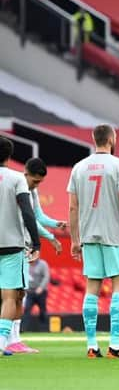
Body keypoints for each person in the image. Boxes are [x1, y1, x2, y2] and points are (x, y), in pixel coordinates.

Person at [67, 124, 119, 359]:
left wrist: (74, 239)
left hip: (89, 235)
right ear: (111, 139)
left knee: (92, 289)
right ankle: (115, 345)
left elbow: (72, 206)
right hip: (114, 235)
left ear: (94, 139)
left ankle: (91, 345)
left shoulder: (79, 168)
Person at [6, 158, 65, 354]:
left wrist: (56, 225)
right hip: (17, 245)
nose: (36, 185)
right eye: (35, 180)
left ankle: (13, 338)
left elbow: (38, 216)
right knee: (13, 293)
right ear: (26, 173)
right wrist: (49, 236)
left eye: (40, 182)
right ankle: (9, 339)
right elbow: (28, 218)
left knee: (20, 293)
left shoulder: (32, 191)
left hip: (22, 245)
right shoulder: (17, 186)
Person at [0, 136, 41, 356]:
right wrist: (36, 242)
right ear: (9, 156)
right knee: (9, 296)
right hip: (11, 245)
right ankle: (1, 342)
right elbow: (27, 211)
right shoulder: (17, 178)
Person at [23, 258, 50, 332]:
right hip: (29, 292)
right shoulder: (26, 264)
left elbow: (46, 276)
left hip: (41, 292)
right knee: (27, 309)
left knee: (42, 310)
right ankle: (23, 329)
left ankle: (44, 329)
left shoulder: (43, 264)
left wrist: (41, 288)